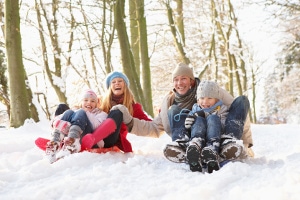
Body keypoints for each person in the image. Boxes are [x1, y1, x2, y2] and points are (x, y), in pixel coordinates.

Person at [110, 63, 254, 167]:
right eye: (176, 79)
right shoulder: (169, 102)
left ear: (191, 81)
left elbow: (238, 113)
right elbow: (153, 128)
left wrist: (246, 143)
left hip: (218, 135)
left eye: (184, 78)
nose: (180, 83)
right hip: (192, 140)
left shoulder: (210, 91)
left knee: (241, 100)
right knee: (174, 110)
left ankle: (229, 144)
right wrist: (129, 121)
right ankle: (184, 147)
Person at [80, 71, 152, 153]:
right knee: (63, 108)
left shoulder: (133, 107)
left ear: (125, 85)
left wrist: (162, 119)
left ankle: (93, 139)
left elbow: (148, 124)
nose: (117, 83)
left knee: (118, 110)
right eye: (113, 82)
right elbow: (86, 107)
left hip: (110, 139)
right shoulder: (101, 101)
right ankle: (68, 141)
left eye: (120, 81)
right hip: (91, 132)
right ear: (110, 87)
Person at [46, 89, 108, 163]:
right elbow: (56, 119)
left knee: (80, 112)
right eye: (86, 100)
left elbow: (97, 126)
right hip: (69, 135)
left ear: (96, 104)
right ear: (81, 102)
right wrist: (55, 122)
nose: (89, 102)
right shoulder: (74, 111)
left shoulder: (101, 114)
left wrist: (85, 113)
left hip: (89, 135)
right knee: (69, 112)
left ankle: (73, 142)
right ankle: (54, 143)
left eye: (92, 101)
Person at [183, 80, 229, 173]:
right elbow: (188, 126)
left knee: (212, 118)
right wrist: (189, 122)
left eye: (210, 98)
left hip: (213, 138)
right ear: (197, 99)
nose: (205, 102)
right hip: (199, 136)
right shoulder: (195, 110)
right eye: (202, 98)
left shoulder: (222, 109)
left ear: (216, 99)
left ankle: (211, 151)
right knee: (198, 120)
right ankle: (195, 148)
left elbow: (224, 125)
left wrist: (207, 115)